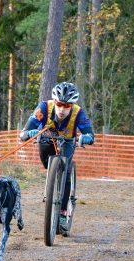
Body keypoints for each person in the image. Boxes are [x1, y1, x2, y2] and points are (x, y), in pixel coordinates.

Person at [19, 82, 95, 234]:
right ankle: (52, 180)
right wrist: (30, 133)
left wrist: (86, 137)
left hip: (68, 142)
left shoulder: (79, 113)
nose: (62, 109)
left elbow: (91, 135)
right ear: (54, 102)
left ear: (72, 105)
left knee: (65, 172)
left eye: (67, 106)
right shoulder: (43, 108)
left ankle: (62, 213)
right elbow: (24, 133)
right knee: (48, 166)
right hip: (47, 139)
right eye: (59, 104)